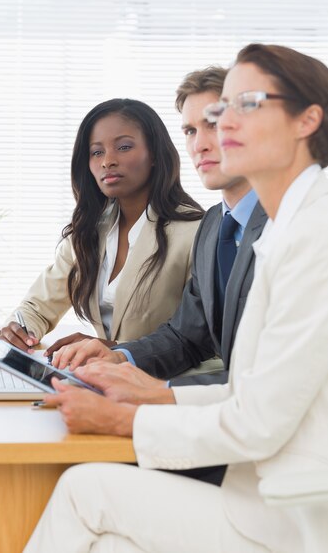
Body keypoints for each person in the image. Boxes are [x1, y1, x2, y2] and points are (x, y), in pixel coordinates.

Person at [23, 44, 328, 553]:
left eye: (246, 104)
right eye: (214, 113)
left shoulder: (312, 233)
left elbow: (258, 419)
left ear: (307, 120)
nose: (221, 125)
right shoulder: (284, 224)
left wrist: (129, 419)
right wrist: (149, 390)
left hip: (293, 511)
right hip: (263, 490)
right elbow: (249, 384)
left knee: (83, 489)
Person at [47, 67, 267, 391]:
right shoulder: (214, 227)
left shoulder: (290, 223)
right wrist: (119, 358)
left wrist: (152, 397)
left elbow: (271, 377)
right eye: (190, 131)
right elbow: (186, 337)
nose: (200, 145)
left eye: (214, 124)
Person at [0, 98, 203, 350]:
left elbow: (201, 342)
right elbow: (39, 306)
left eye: (124, 147)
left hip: (164, 385)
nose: (107, 161)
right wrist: (19, 332)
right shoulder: (90, 230)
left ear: (155, 154)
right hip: (105, 382)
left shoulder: (195, 233)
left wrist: (113, 349)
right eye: (97, 152)